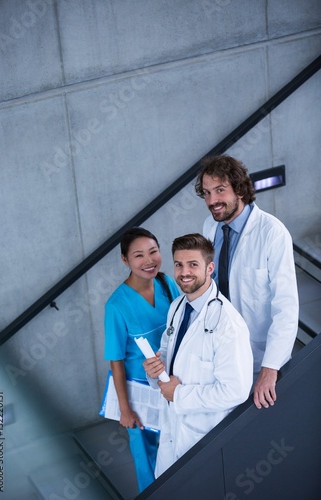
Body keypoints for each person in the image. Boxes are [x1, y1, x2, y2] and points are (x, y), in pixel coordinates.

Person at [143, 233, 253, 477]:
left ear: (210, 268)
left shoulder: (228, 325)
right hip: (172, 430)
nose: (184, 272)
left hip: (203, 438)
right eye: (179, 264)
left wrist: (179, 394)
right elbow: (169, 358)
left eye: (193, 264)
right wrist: (155, 369)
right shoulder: (177, 307)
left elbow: (235, 391)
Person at [194, 154, 299, 410]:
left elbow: (286, 307)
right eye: (206, 193)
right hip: (220, 349)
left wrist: (270, 368)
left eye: (220, 191)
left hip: (257, 356)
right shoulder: (210, 227)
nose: (212, 201)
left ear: (240, 189)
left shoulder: (272, 233)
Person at [104, 227, 180, 492]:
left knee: (176, 444)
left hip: (171, 381)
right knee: (145, 455)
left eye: (153, 252)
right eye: (139, 255)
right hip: (140, 391)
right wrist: (125, 409)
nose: (149, 261)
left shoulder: (167, 284)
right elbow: (115, 360)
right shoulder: (116, 305)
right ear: (125, 260)